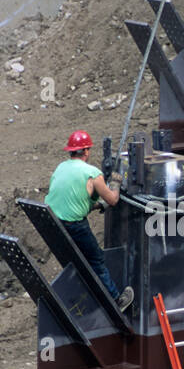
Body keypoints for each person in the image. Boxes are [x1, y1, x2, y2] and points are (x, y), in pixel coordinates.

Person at [45, 130, 133, 311]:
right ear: (86, 151)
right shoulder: (92, 173)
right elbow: (113, 200)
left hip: (52, 221)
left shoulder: (61, 167)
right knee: (96, 260)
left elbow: (70, 196)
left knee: (76, 260)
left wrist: (96, 205)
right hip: (74, 225)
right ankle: (116, 301)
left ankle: (84, 292)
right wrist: (115, 184)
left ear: (71, 151)